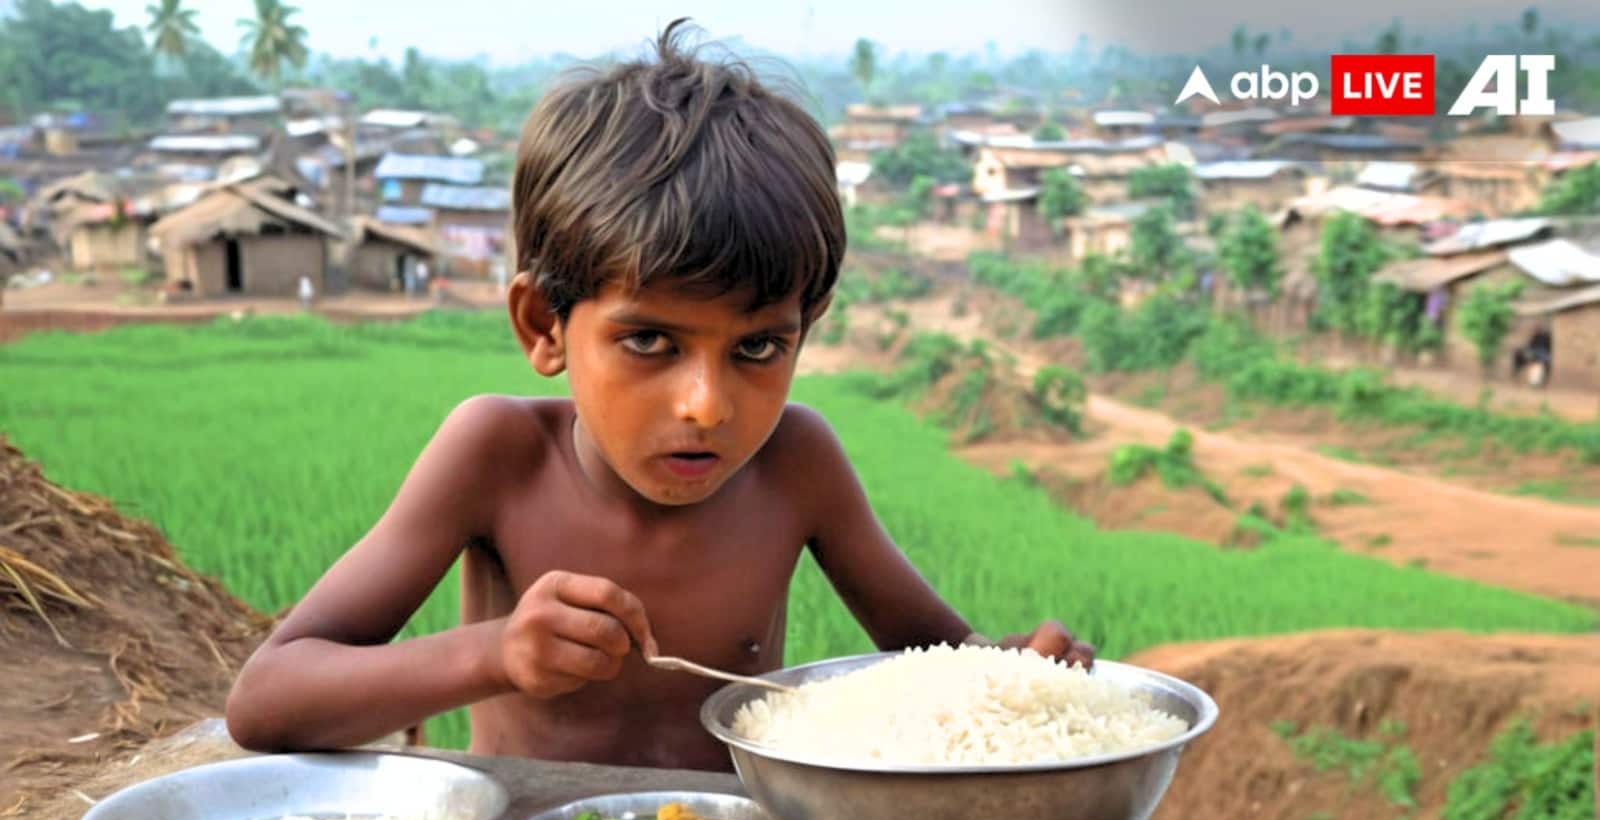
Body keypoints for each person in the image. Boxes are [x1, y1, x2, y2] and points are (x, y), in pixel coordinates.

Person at [225, 20, 1095, 772]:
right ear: (544, 325)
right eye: (649, 341)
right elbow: (268, 697)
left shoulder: (800, 465)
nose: (707, 405)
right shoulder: (495, 456)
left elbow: (935, 655)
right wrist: (496, 652)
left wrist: (1021, 667)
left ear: (806, 327)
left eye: (758, 346)